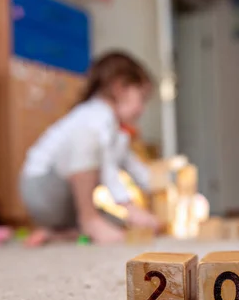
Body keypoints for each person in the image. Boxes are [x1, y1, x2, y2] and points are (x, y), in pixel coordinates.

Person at [20, 51, 160, 246]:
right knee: (87, 138)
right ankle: (89, 220)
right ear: (120, 88)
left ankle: (59, 234)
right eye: (142, 98)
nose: (142, 109)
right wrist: (128, 205)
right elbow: (107, 165)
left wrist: (158, 186)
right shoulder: (94, 116)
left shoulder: (115, 131)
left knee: (122, 225)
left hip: (67, 206)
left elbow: (131, 164)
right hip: (44, 189)